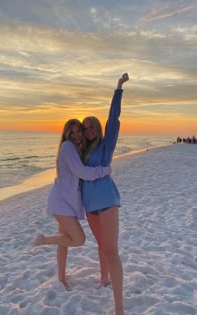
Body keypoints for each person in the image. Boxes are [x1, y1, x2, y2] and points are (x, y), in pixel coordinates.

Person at [33, 119, 111, 290]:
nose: (76, 135)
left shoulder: (75, 148)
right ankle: (45, 240)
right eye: (72, 132)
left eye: (78, 131)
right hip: (61, 201)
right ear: (66, 134)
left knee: (64, 241)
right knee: (79, 239)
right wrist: (104, 171)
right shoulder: (68, 146)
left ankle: (61, 278)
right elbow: (82, 172)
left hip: (66, 202)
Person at [81, 73, 129, 315]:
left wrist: (118, 88)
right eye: (85, 127)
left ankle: (119, 308)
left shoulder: (106, 143)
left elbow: (113, 117)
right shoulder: (81, 152)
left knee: (111, 250)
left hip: (108, 202)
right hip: (89, 206)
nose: (88, 130)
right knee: (101, 246)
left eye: (91, 126)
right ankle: (104, 279)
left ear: (97, 128)